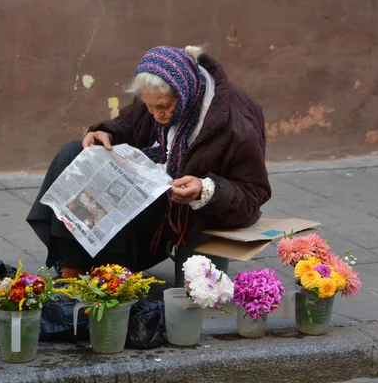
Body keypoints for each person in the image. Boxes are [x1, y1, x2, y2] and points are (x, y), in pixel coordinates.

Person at [27, 45, 271, 278]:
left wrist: (205, 190)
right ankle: (73, 266)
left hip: (178, 209)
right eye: (149, 106)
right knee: (73, 153)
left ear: (184, 92)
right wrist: (106, 134)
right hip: (149, 183)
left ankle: (102, 272)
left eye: (163, 107)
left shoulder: (235, 127)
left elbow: (253, 194)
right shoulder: (157, 94)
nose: (156, 115)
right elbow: (128, 124)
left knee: (110, 192)